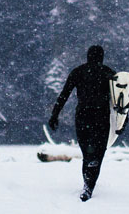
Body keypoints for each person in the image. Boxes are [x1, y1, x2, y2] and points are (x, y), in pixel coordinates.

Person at [48, 45, 116, 201]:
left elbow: (64, 95)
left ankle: (87, 186)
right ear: (102, 57)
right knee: (98, 154)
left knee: (87, 153)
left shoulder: (78, 72)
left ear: (88, 56)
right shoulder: (109, 73)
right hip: (101, 117)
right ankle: (88, 187)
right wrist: (122, 122)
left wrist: (54, 115)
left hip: (83, 116)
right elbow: (122, 101)